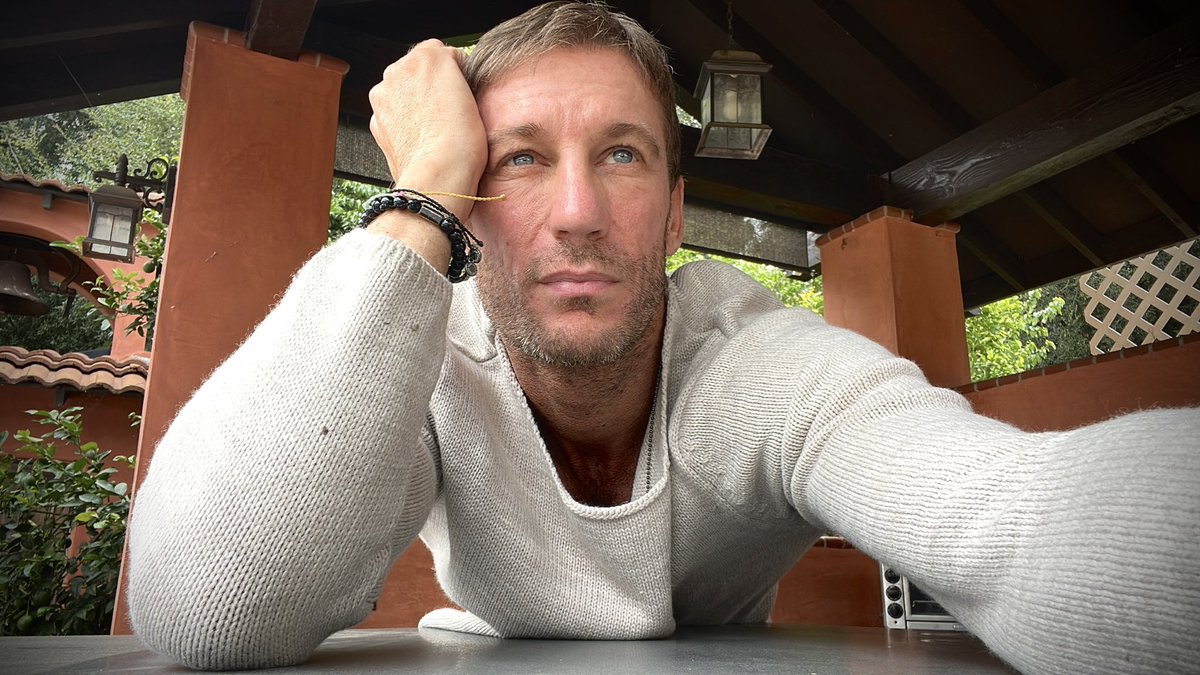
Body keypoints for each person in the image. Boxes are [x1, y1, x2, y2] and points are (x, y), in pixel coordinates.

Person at [126, 2, 1199, 673]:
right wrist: (419, 204)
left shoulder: (754, 364)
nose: (579, 213)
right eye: (519, 159)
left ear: (677, 215)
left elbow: (1012, 521)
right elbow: (207, 606)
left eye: (624, 156)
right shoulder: (416, 358)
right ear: (466, 200)